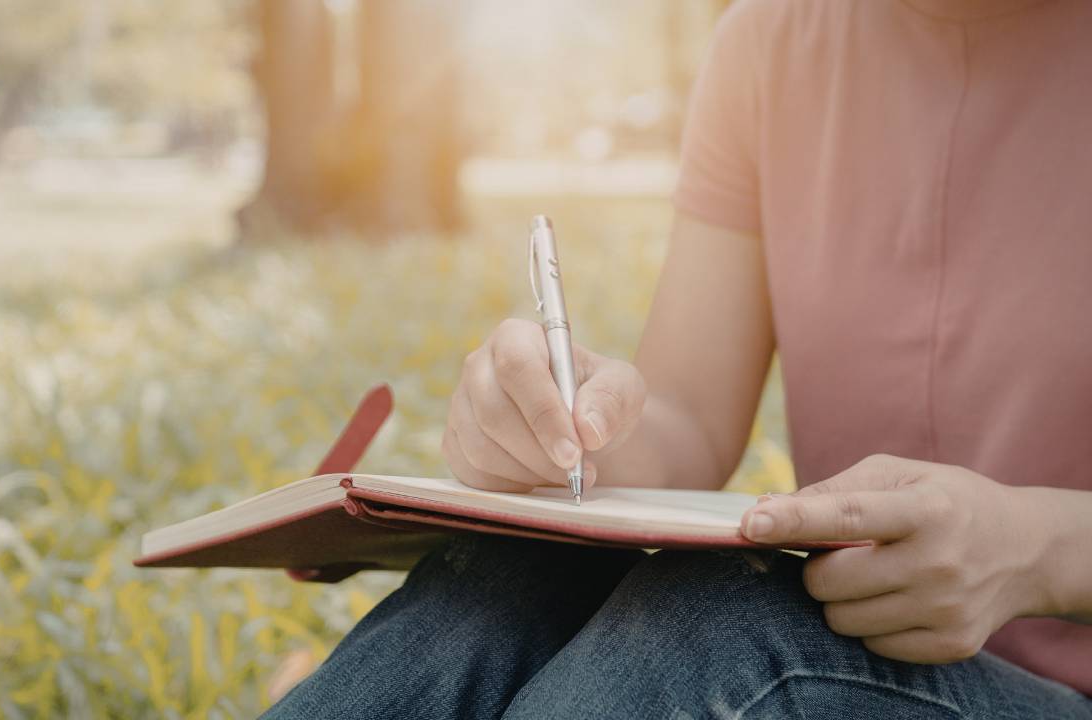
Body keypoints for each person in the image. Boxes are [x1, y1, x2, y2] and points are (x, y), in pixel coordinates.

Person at [264, 0, 1092, 716]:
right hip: (860, 633)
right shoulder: (770, 41)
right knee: (508, 576)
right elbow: (687, 415)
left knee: (728, 630)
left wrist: (1037, 550)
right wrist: (571, 424)